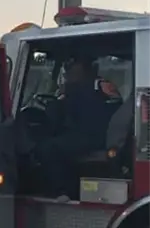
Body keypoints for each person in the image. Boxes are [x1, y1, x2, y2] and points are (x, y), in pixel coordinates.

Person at [34, 57, 121, 198]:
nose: (67, 71)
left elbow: (60, 114)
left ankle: (62, 191)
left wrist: (59, 99)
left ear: (82, 68)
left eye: (71, 65)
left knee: (47, 147)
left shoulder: (80, 88)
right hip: (99, 134)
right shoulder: (102, 85)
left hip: (93, 136)